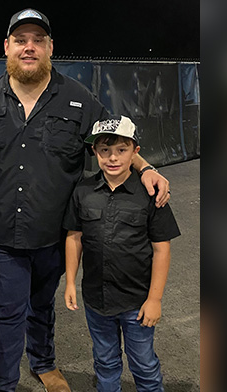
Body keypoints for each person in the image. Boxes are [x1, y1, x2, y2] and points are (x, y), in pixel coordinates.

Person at [0, 8, 172, 392]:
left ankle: (43, 363)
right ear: (6, 47)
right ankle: (3, 384)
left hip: (56, 232)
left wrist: (146, 168)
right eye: (20, 40)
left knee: (42, 305)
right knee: (7, 311)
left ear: (50, 47)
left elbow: (115, 140)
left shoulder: (77, 98)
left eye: (37, 40)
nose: (29, 47)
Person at [63, 117, 180, 392]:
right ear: (94, 152)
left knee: (143, 363)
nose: (112, 158)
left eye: (121, 150)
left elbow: (162, 248)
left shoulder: (151, 194)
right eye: (104, 150)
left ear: (135, 151)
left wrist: (155, 299)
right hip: (96, 300)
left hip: (137, 301)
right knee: (105, 361)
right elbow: (74, 237)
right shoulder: (83, 192)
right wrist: (70, 281)